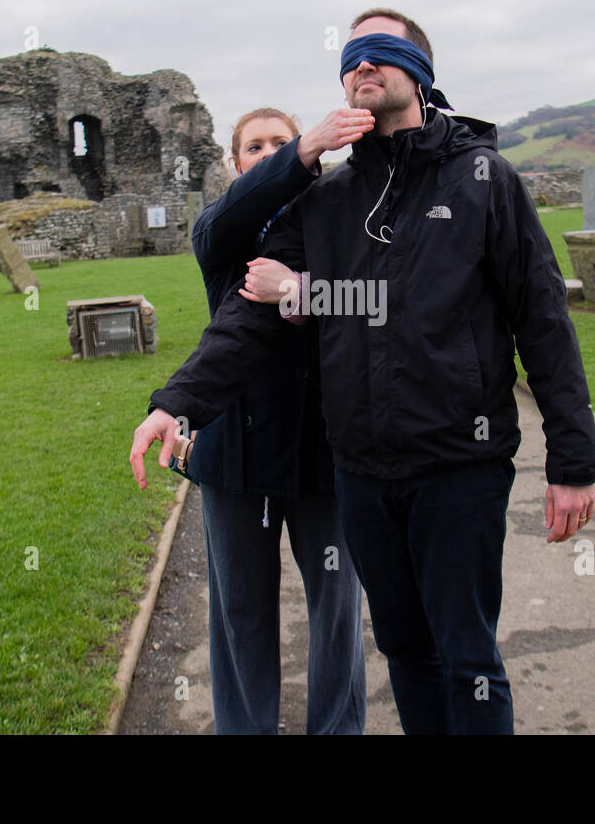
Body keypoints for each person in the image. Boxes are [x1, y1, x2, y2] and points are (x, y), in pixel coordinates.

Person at [131, 8, 595, 734]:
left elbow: (541, 321)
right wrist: (178, 402)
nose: (362, 65)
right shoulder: (328, 199)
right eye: (351, 56)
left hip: (459, 464)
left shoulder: (484, 180)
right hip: (362, 473)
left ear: (420, 71)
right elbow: (247, 315)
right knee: (405, 650)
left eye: (382, 51)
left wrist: (573, 459)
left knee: (468, 659)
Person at [181, 104, 374, 734]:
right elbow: (228, 219)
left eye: (280, 142)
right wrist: (302, 151)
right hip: (234, 453)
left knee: (337, 610)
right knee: (240, 612)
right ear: (235, 164)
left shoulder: (341, 218)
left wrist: (300, 290)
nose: (267, 153)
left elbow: (371, 303)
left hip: (323, 449)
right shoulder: (221, 231)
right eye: (254, 146)